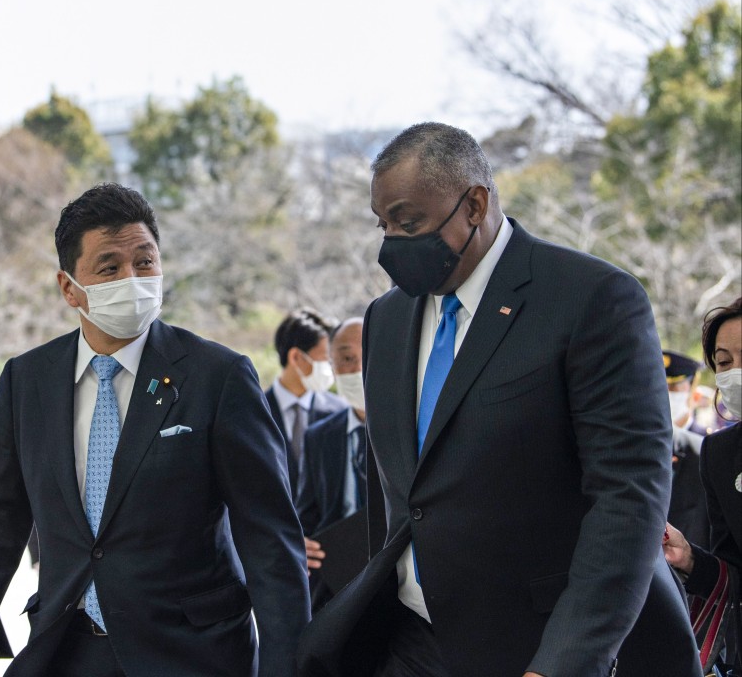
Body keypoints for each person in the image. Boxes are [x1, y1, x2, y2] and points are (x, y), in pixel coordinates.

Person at [297, 122, 701, 677]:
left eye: (408, 223)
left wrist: (562, 663)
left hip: (540, 646)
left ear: (474, 205)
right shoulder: (385, 319)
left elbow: (628, 499)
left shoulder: (591, 298)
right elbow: (398, 496)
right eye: (382, 224)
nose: (391, 243)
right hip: (413, 643)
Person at [0, 183, 310, 677]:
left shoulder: (217, 376)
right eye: (109, 268)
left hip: (191, 656)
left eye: (144, 262)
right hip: (66, 652)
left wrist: (288, 665)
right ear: (69, 288)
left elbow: (269, 539)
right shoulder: (27, 381)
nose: (132, 278)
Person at [664, 296, 742, 673]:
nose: (735, 373)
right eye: (724, 362)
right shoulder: (721, 454)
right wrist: (690, 560)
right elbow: (733, 574)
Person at [297, 317, 369, 612]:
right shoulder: (319, 436)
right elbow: (307, 512)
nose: (358, 368)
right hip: (334, 578)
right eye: (347, 359)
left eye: (367, 355)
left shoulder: (413, 427)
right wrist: (299, 541)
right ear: (332, 366)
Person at [265, 309, 347, 498]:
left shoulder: (339, 411)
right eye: (326, 360)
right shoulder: (254, 411)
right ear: (295, 357)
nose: (331, 369)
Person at [664, 349, 711, 548]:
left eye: (674, 386)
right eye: (660, 386)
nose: (666, 393)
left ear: (692, 390)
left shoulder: (707, 447)